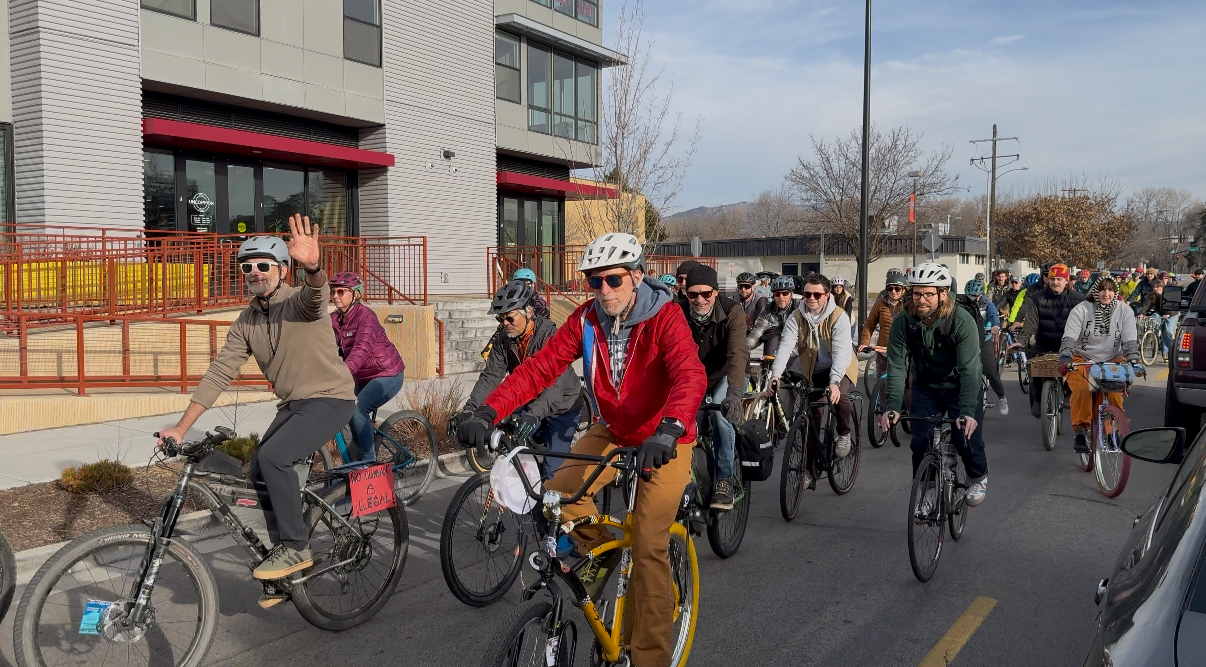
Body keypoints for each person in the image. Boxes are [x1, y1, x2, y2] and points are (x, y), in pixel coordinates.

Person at [457, 232, 706, 667]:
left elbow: (689, 374)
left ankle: (650, 657)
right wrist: (487, 411)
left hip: (665, 437)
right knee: (559, 495)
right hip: (615, 430)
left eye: (613, 279)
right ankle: (605, 555)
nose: (604, 290)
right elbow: (539, 369)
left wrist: (670, 428)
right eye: (595, 281)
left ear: (636, 276)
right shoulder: (587, 320)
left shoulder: (665, 316)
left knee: (648, 542)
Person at [157, 217, 356, 584]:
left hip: (330, 398)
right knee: (259, 471)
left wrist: (313, 267)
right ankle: (286, 568)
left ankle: (296, 548)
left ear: (283, 270)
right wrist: (181, 428)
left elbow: (316, 294)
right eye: (246, 267)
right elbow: (220, 372)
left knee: (273, 457)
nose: (254, 273)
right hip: (294, 405)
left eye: (264, 265)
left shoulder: (298, 303)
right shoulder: (247, 321)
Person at [878, 263, 988, 507]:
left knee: (965, 438)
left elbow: (970, 370)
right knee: (920, 441)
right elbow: (897, 367)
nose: (921, 300)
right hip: (926, 386)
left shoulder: (961, 320)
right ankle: (927, 489)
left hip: (960, 386)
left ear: (943, 294)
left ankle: (978, 476)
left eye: (928, 294)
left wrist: (967, 411)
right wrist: (893, 406)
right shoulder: (903, 322)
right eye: (917, 293)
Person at [459, 280, 582, 475]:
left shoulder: (549, 336)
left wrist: (533, 414)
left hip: (562, 405)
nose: (504, 324)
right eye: (500, 319)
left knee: (553, 474)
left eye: (509, 318)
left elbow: (556, 387)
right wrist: (470, 410)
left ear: (529, 312)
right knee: (513, 448)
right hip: (530, 399)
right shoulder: (503, 339)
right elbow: (490, 377)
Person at [680, 264, 749, 509]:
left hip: (725, 375)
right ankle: (683, 480)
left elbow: (738, 353)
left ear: (716, 292)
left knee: (721, 416)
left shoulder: (733, 312)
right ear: (686, 293)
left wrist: (734, 394)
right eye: (693, 294)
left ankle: (724, 480)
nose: (700, 299)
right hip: (693, 379)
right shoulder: (677, 312)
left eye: (706, 293)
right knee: (680, 421)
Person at [767, 274, 857, 461]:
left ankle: (844, 433)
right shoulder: (796, 316)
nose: (811, 298)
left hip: (841, 365)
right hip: (815, 369)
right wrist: (775, 375)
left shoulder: (839, 316)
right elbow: (785, 347)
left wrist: (834, 382)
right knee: (812, 415)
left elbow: (841, 353)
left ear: (827, 295)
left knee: (840, 396)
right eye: (807, 294)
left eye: (817, 295)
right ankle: (809, 468)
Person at [1058, 274, 1141, 454]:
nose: (1106, 293)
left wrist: (1134, 359)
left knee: (1114, 393)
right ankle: (1081, 430)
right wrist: (1065, 356)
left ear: (1115, 292)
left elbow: (1129, 340)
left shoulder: (1124, 311)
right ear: (1095, 291)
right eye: (1102, 289)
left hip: (1113, 357)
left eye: (1110, 290)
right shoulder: (1081, 309)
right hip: (1082, 357)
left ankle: (1112, 430)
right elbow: (1070, 336)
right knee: (1082, 389)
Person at [329, 272, 406, 461]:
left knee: (357, 408)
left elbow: (361, 349)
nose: (335, 296)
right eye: (333, 292)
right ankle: (353, 460)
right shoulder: (334, 320)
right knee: (340, 408)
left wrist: (343, 374)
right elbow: (321, 347)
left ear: (355, 294)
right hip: (361, 377)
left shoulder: (366, 317)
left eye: (341, 291)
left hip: (387, 374)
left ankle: (368, 462)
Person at [1017, 263, 1085, 417]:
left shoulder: (1078, 299)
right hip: (1044, 342)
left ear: (1066, 281)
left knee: (1078, 366)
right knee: (1033, 365)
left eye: (1059, 279)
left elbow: (1085, 324)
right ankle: (1038, 400)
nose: (1055, 282)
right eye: (1052, 279)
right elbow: (1030, 324)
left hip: (1070, 344)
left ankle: (1068, 390)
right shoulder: (1037, 298)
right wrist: (1021, 341)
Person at [962, 278, 1008, 416]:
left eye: (975, 296)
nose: (973, 299)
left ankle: (1002, 398)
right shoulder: (962, 304)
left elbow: (993, 316)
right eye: (970, 296)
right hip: (966, 341)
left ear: (981, 294)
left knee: (991, 372)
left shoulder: (987, 304)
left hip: (984, 340)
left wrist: (995, 325)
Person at [859, 269, 907, 375]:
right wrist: (864, 342)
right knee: (882, 380)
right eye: (890, 288)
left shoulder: (909, 305)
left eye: (897, 288)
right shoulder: (880, 304)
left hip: (902, 351)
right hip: (883, 350)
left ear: (903, 290)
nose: (893, 291)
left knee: (902, 382)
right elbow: (869, 324)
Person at [747, 275, 801, 357]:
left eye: (785, 293)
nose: (781, 297)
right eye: (777, 294)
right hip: (776, 342)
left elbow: (804, 337)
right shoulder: (768, 310)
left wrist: (788, 355)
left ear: (791, 294)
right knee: (771, 335)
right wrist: (743, 349)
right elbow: (756, 334)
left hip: (797, 346)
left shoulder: (800, 309)